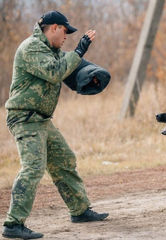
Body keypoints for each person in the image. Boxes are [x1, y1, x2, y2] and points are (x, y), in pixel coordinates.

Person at [2, 11, 108, 239]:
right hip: (24, 118)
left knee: (64, 160)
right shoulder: (31, 48)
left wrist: (92, 77)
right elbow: (54, 72)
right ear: (53, 28)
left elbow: (71, 73)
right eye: (65, 31)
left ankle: (80, 211)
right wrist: (80, 49)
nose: (67, 36)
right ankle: (13, 223)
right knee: (33, 167)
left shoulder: (52, 51)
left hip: (41, 120)